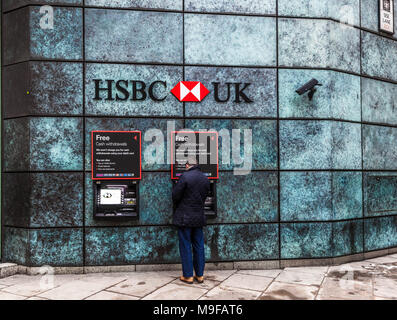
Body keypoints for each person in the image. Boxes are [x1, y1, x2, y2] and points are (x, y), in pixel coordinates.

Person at [172, 157, 210, 284]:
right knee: (199, 246)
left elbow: (175, 195)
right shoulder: (205, 178)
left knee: (186, 245)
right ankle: (200, 275)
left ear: (188, 165)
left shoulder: (185, 177)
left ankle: (188, 275)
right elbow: (205, 196)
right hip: (198, 217)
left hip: (185, 217)